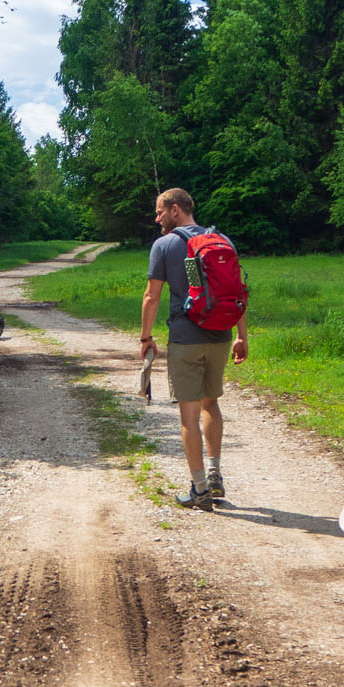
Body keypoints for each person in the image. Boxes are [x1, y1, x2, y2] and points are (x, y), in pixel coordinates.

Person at [140, 188, 249, 510]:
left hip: (186, 337)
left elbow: (152, 296)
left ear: (176, 210)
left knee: (188, 416)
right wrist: (242, 336)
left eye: (160, 211)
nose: (157, 218)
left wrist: (146, 338)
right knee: (210, 404)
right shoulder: (223, 240)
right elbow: (238, 291)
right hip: (221, 334)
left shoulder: (165, 244)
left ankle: (199, 489)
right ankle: (215, 474)